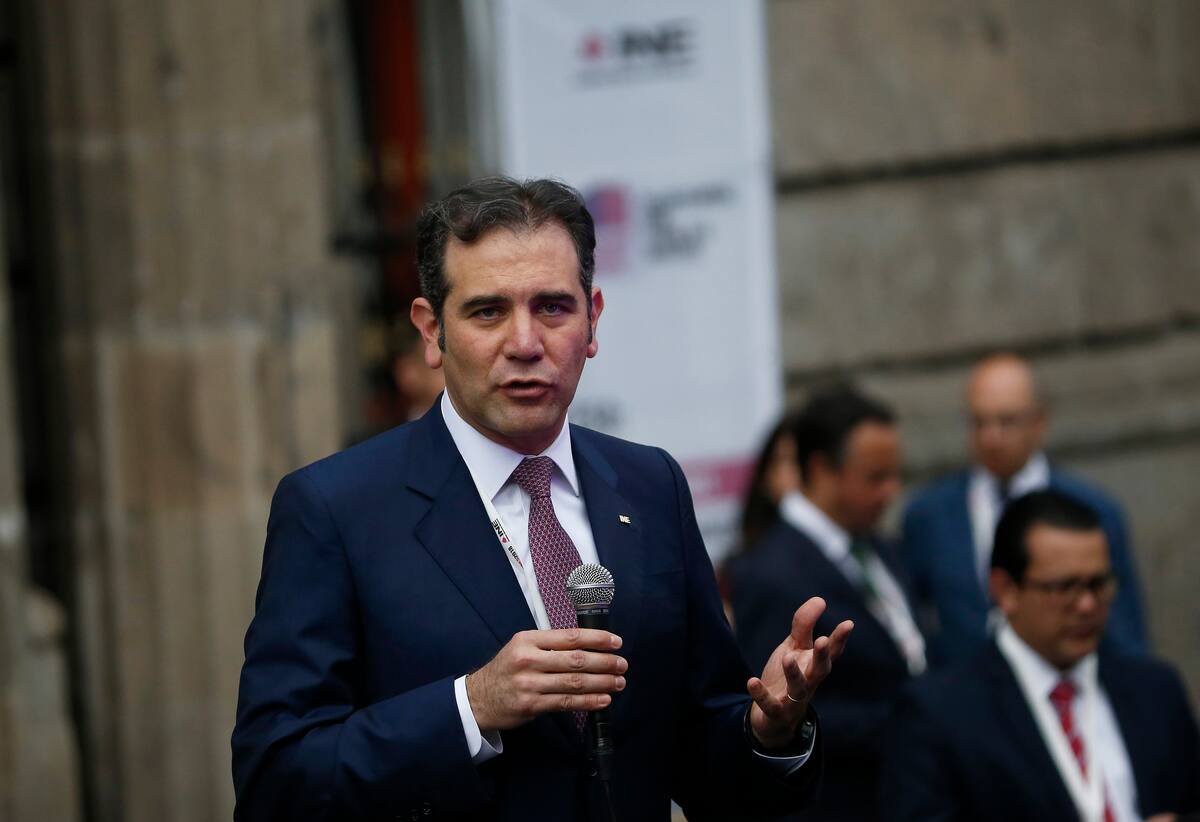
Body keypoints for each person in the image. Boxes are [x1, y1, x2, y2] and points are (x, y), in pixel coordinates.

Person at [231, 177, 853, 821]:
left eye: (553, 307)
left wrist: (767, 731)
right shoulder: (335, 509)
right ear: (431, 331)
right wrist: (471, 707)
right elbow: (275, 779)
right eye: (487, 312)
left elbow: (700, 754)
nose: (525, 343)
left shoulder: (650, 485)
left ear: (593, 320)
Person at [880, 490, 1199, 821]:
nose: (1087, 605)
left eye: (1098, 584)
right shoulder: (939, 712)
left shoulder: (1156, 691)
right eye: (1064, 587)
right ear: (1006, 590)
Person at [726, 386, 926, 821]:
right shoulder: (770, 573)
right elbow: (774, 711)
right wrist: (916, 719)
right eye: (875, 477)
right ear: (820, 469)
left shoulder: (880, 547)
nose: (890, 491)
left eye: (894, 475)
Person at [901, 352, 1148, 663]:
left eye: (1006, 421)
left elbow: (1124, 626)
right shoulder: (929, 515)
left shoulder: (1091, 509)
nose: (991, 438)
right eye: (979, 423)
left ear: (1039, 422)